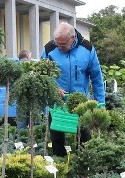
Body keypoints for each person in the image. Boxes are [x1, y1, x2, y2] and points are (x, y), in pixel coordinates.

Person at [40, 22, 105, 157]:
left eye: (62, 44)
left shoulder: (87, 48)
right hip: (56, 103)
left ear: (73, 38)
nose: (59, 47)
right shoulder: (49, 49)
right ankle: (60, 166)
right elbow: (41, 74)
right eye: (57, 43)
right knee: (56, 137)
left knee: (84, 136)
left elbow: (97, 78)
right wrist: (53, 87)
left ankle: (85, 165)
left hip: (80, 102)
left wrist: (100, 103)